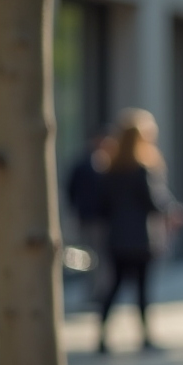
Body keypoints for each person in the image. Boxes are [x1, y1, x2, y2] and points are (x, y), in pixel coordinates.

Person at [97, 109, 183, 354]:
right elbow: (152, 202)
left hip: (115, 237)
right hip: (141, 238)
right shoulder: (142, 169)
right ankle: (145, 337)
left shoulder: (109, 169)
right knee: (142, 288)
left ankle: (102, 337)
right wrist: (172, 210)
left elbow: (102, 206)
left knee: (113, 286)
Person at [65, 128, 115, 298]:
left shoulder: (111, 164)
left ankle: (105, 289)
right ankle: (95, 290)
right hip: (88, 217)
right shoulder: (82, 164)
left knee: (104, 255)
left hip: (106, 218)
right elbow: (70, 189)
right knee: (91, 255)